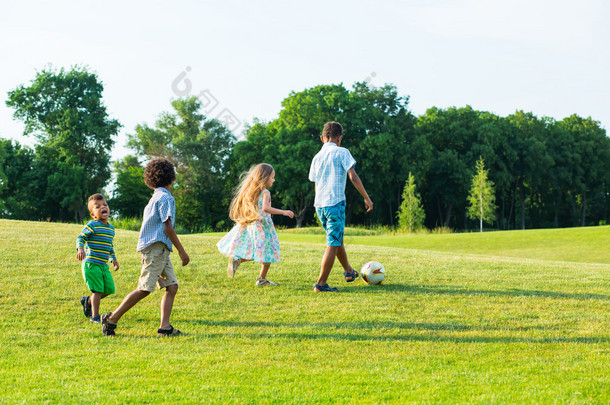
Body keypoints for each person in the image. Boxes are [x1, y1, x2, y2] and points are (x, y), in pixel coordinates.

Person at [101, 158, 190, 337]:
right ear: (171, 176)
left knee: (172, 287)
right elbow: (167, 227)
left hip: (159, 249)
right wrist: (181, 250)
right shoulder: (166, 197)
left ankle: (165, 328)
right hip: (156, 249)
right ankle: (111, 319)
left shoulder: (155, 197)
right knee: (144, 289)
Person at [309, 121, 373, 292]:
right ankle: (321, 284)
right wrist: (366, 198)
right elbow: (353, 176)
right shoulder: (342, 152)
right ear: (340, 138)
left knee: (337, 240)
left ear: (323, 138)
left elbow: (316, 182)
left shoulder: (317, 157)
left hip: (320, 205)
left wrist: (319, 203)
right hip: (335, 203)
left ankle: (348, 271)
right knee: (333, 243)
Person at [217, 163, 294, 286]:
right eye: (272, 177)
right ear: (265, 177)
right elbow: (266, 208)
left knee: (259, 251)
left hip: (254, 223)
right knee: (267, 251)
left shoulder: (253, 192)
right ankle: (260, 278)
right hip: (263, 226)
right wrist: (283, 212)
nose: (274, 180)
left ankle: (242, 263)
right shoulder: (265, 193)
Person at [76, 193, 119, 323]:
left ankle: (87, 301)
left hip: (103, 265)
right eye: (97, 206)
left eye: (105, 205)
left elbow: (109, 245)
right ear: (93, 215)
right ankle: (95, 317)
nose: (102, 207)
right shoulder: (92, 225)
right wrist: (80, 249)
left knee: (109, 289)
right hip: (91, 263)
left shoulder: (111, 229)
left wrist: (113, 259)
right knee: (97, 291)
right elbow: (81, 237)